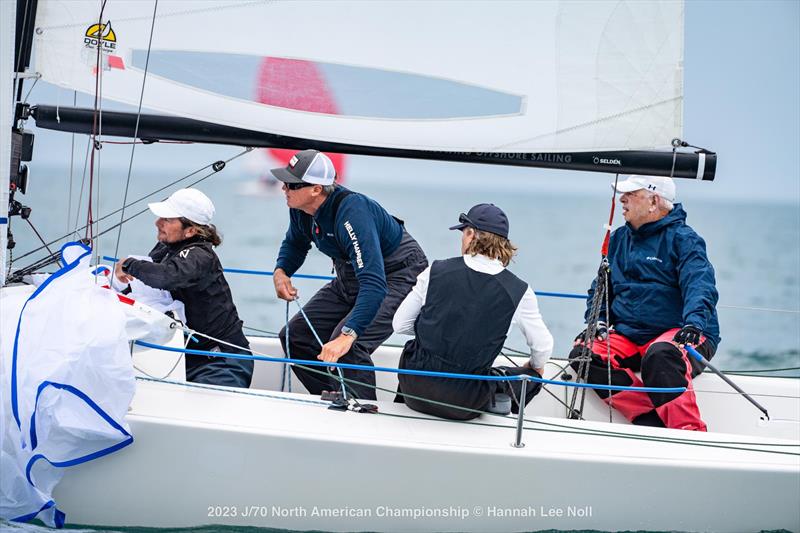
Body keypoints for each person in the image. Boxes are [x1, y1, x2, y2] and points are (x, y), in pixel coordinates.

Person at [271, 149, 428, 400]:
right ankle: (337, 396)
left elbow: (374, 284)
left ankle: (363, 413)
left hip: (397, 275)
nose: (284, 189)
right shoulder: (300, 208)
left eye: (291, 184)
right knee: (295, 336)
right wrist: (281, 271)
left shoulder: (353, 213)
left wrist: (349, 334)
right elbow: (295, 243)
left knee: (349, 345)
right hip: (353, 274)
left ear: (315, 189)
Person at [570, 175, 720, 431]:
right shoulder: (618, 239)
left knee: (661, 356)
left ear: (654, 201)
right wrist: (599, 320)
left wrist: (694, 323)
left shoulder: (685, 240)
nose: (622, 199)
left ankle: (691, 435)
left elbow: (700, 285)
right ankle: (650, 421)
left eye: (631, 193)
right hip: (631, 336)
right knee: (583, 354)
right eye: (622, 194)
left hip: (685, 331)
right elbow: (601, 288)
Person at [392, 204, 554, 420]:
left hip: (413, 389)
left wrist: (436, 329)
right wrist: (534, 367)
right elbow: (543, 347)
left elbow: (399, 324)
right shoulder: (519, 291)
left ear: (471, 234)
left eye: (463, 232)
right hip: (464, 403)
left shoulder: (435, 271)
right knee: (531, 375)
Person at [114, 188, 253, 388]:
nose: (158, 223)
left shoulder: (200, 255)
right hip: (187, 357)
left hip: (222, 362)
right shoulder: (167, 247)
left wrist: (129, 264)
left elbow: (168, 277)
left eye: (168, 219)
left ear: (191, 230)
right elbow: (148, 281)